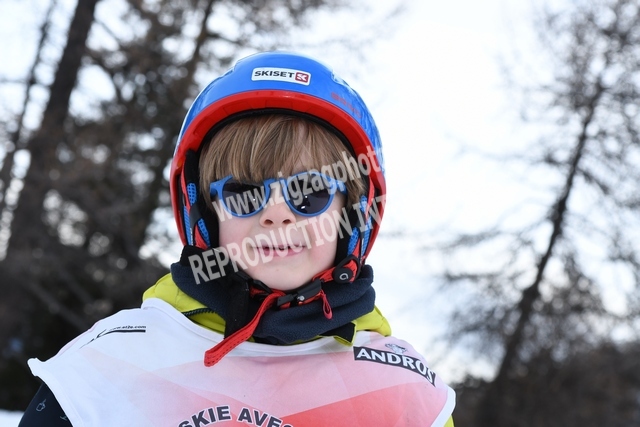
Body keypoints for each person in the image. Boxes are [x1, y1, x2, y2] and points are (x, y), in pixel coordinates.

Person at [19, 51, 456, 426]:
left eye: (310, 193)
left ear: (353, 213)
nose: (276, 214)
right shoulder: (108, 368)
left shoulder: (407, 395)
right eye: (242, 193)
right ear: (205, 214)